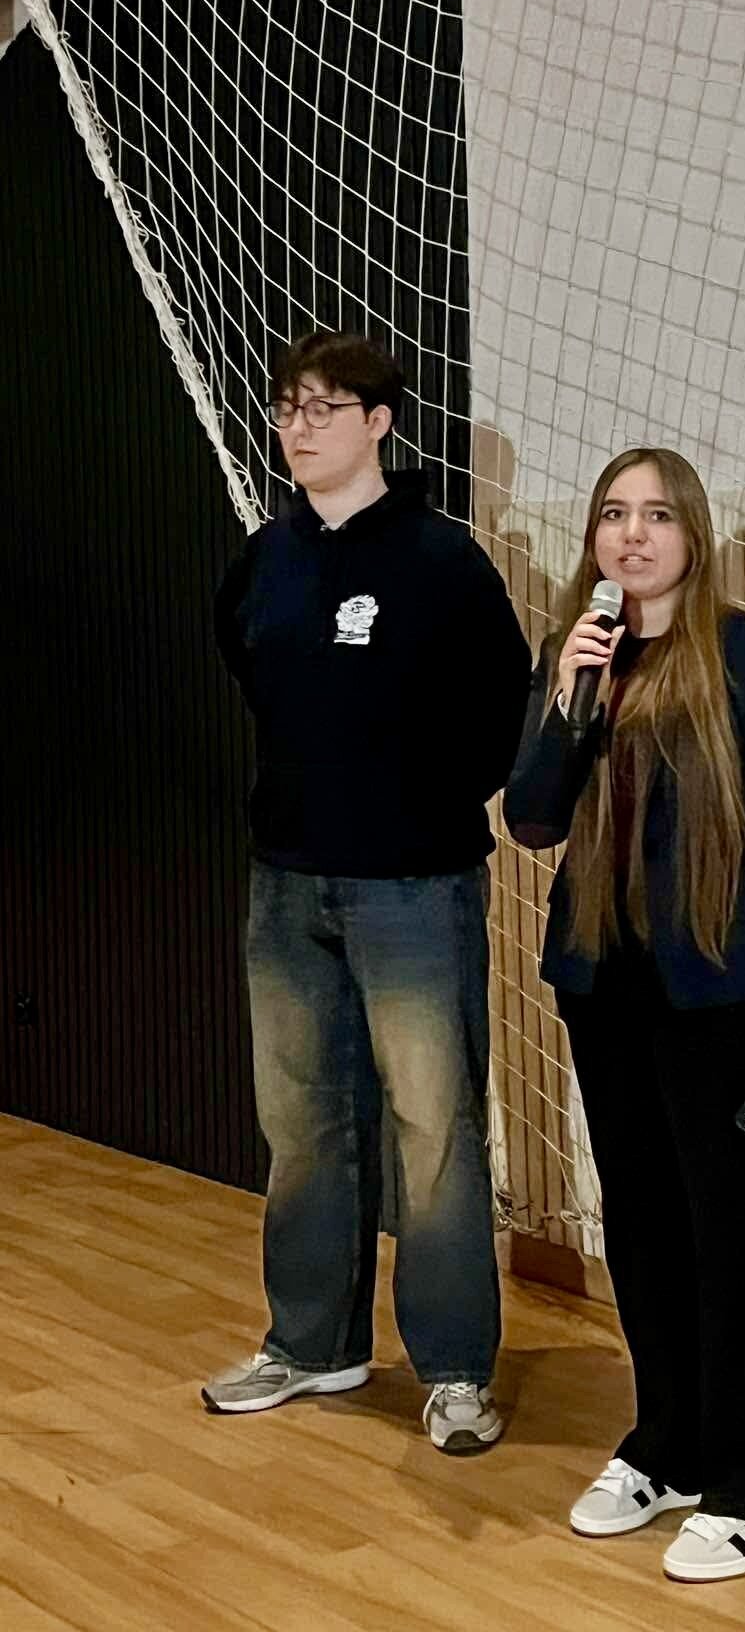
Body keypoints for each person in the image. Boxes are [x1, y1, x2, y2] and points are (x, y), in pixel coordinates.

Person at [503, 447, 745, 1582]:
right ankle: (673, 1444)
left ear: (692, 534)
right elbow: (533, 821)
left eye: (657, 514)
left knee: (735, 1231)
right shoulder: (575, 650)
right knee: (643, 1223)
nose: (633, 534)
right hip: (605, 986)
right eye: (614, 513)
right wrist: (566, 702)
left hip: (724, 994)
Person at [206, 330, 531, 1453]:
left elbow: (504, 704)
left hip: (415, 889)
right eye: (287, 408)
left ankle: (454, 1368)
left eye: (324, 408)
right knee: (301, 1124)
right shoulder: (264, 560)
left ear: (379, 422)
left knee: (434, 1128)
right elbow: (254, 675)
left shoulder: (445, 561)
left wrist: (418, 804)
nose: (299, 428)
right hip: (288, 888)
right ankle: (313, 1342)